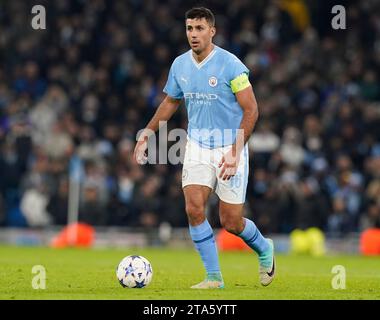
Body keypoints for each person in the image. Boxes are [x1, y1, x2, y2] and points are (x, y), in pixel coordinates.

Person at [134, 7, 275, 289]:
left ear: (212, 31)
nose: (194, 34)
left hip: (229, 146)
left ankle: (264, 248)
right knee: (194, 208)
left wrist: (235, 151)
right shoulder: (180, 65)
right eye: (189, 28)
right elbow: (171, 101)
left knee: (231, 222)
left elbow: (252, 110)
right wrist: (146, 133)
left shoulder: (231, 65)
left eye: (199, 28)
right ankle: (213, 278)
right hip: (197, 146)